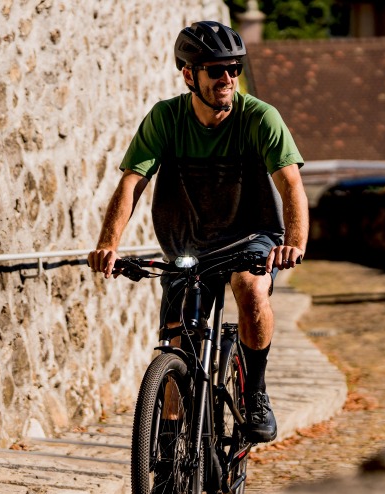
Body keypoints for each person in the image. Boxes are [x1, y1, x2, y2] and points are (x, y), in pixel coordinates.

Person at [88, 20, 308, 444]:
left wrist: (292, 243)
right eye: (215, 70)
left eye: (233, 68)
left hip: (251, 237)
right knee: (176, 345)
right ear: (189, 75)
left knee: (251, 290)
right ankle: (168, 451)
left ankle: (254, 392)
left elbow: (291, 185)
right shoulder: (166, 119)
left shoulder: (260, 118)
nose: (227, 78)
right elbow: (133, 181)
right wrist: (108, 244)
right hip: (187, 245)